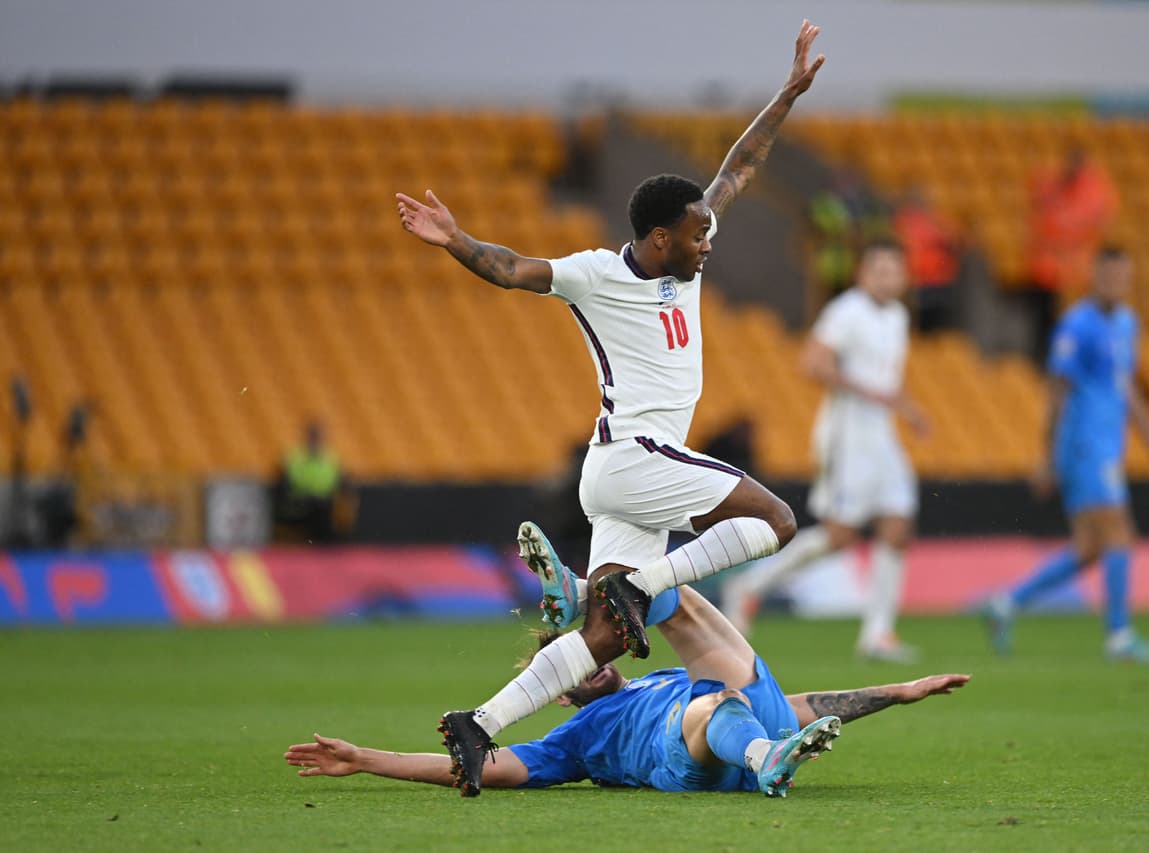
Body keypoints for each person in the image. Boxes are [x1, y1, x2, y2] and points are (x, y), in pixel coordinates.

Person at [395, 21, 825, 795]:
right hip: (636, 456)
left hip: (620, 473)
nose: (709, 243)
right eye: (697, 235)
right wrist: (456, 239)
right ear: (659, 238)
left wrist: (787, 94)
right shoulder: (596, 273)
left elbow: (739, 169)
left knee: (600, 636)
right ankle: (646, 581)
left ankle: (480, 723)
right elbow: (515, 269)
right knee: (777, 520)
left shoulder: (687, 250)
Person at [284, 525, 969, 796]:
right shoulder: (577, 738)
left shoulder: (658, 675)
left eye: (593, 644)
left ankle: (581, 596)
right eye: (583, 653)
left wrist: (900, 691)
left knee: (685, 626)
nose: (599, 658)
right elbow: (486, 765)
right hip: (694, 753)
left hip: (758, 726)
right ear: (562, 689)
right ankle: (584, 592)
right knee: (703, 683)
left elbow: (802, 707)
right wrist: (369, 757)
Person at [721, 239, 928, 663]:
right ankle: (748, 587)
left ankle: (878, 633)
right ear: (862, 273)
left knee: (898, 524)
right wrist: (870, 392)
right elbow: (812, 364)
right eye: (879, 269)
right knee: (840, 536)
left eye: (894, 270)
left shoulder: (897, 316)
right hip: (847, 435)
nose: (888, 277)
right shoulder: (846, 312)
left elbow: (885, 379)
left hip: (882, 435)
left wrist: (907, 409)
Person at [982, 245, 1149, 664]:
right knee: (1119, 533)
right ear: (1095, 277)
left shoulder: (1126, 322)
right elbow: (1057, 394)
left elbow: (1125, 386)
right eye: (1109, 277)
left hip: (1109, 443)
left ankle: (1006, 603)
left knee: (1090, 546)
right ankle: (1119, 635)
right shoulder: (1077, 326)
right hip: (1083, 445)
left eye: (1123, 278)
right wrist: (1048, 456)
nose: (1116, 285)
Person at [1025, 147, 1118, 365]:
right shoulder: (1053, 187)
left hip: (1078, 271)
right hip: (1053, 272)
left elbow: (1098, 223)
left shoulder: (1094, 192)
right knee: (1047, 318)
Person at [893, 186, 960, 333]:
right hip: (914, 281)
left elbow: (951, 240)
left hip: (937, 280)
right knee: (914, 321)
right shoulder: (903, 220)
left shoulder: (936, 219)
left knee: (937, 323)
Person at [273, 420, 345, 543]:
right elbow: (286, 483)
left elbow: (338, 484)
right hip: (298, 503)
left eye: (318, 436)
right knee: (316, 508)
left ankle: (324, 549)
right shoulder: (294, 457)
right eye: (313, 436)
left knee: (325, 509)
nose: (316, 440)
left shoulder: (331, 458)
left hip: (323, 505)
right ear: (307, 436)